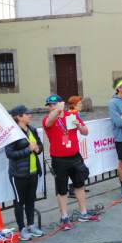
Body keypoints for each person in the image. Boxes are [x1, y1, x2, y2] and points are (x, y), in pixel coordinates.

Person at [43, 95, 99, 230]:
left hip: (74, 156)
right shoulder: (49, 118)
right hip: (59, 159)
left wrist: (79, 125)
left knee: (79, 185)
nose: (51, 107)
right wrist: (57, 110)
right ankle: (64, 217)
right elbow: (48, 123)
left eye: (53, 104)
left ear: (60, 103)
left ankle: (83, 213)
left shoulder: (71, 116)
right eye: (49, 105)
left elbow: (85, 132)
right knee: (62, 190)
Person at [5, 105, 44, 241]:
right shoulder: (12, 133)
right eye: (27, 114)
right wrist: (28, 150)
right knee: (19, 202)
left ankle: (31, 225)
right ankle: (21, 228)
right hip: (18, 174)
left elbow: (39, 146)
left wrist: (38, 149)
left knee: (30, 200)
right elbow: (9, 154)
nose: (30, 115)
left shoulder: (32, 129)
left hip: (33, 172)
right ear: (19, 117)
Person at [66, 96, 90, 198]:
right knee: (77, 168)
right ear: (74, 105)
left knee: (76, 167)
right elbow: (84, 131)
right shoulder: (73, 114)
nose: (81, 105)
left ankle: (78, 186)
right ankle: (74, 188)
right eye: (79, 104)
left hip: (70, 143)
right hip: (70, 144)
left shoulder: (71, 113)